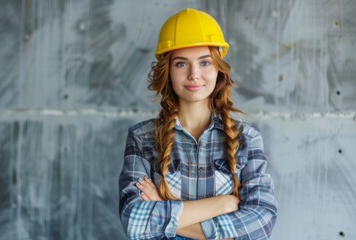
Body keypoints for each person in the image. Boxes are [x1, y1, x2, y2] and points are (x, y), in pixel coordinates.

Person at [118, 8, 277, 240]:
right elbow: (133, 221)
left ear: (218, 69)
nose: (194, 74)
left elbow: (262, 222)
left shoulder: (246, 138)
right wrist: (222, 204)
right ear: (168, 72)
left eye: (204, 63)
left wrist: (163, 207)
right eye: (181, 64)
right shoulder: (143, 138)